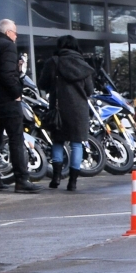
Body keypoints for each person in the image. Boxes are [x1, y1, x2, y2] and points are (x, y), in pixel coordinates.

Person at [0, 19, 35, 191]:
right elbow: (6, 74)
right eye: (15, 32)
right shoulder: (8, 46)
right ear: (8, 32)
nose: (16, 36)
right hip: (7, 99)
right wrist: (17, 92)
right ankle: (21, 180)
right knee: (16, 139)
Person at [37, 35, 94, 190]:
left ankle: (56, 177)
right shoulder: (84, 65)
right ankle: (73, 182)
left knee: (58, 141)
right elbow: (89, 90)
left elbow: (42, 84)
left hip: (58, 109)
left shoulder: (53, 62)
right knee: (76, 144)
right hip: (79, 109)